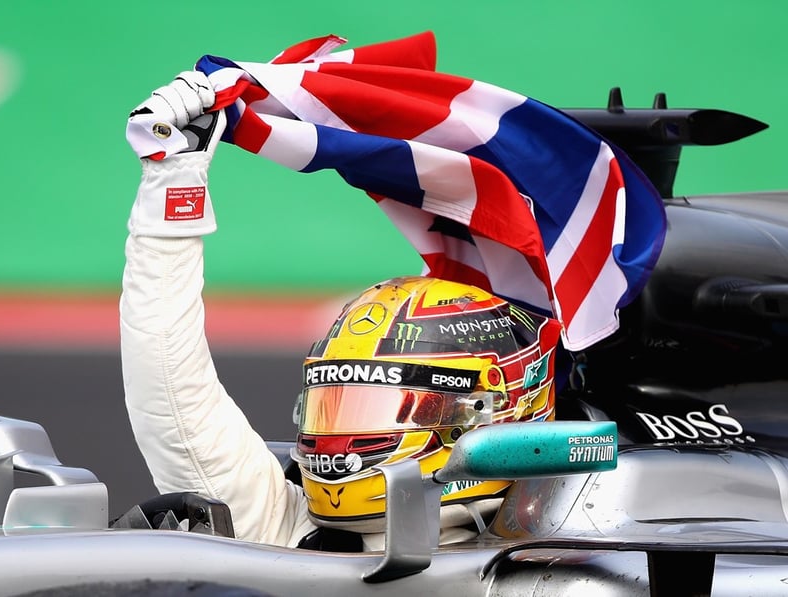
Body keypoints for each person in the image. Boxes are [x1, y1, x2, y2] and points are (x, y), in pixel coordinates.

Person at [121, 72, 560, 552]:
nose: (340, 442)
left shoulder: (584, 552)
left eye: (391, 406)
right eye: (335, 405)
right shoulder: (281, 530)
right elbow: (169, 384)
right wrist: (173, 183)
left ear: (489, 413)